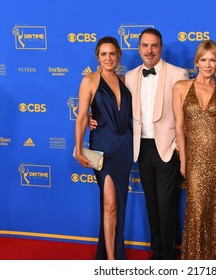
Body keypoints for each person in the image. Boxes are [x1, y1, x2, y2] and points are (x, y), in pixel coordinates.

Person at [89, 28, 189, 259]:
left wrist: (180, 150)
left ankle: (166, 256)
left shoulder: (178, 73)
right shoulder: (130, 76)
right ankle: (156, 251)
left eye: (154, 46)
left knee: (166, 205)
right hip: (139, 148)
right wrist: (92, 121)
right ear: (139, 48)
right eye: (145, 45)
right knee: (152, 205)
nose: (150, 50)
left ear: (160, 48)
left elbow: (187, 115)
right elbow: (109, 105)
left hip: (167, 148)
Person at [173, 40, 216, 260]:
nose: (208, 65)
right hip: (195, 159)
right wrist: (183, 159)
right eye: (204, 60)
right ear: (196, 62)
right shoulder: (181, 87)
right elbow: (179, 126)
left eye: (212, 60)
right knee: (198, 210)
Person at [75, 36, 133, 260]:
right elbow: (81, 117)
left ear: (118, 56)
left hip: (124, 147)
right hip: (103, 147)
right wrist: (78, 148)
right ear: (97, 57)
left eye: (112, 54)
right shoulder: (89, 80)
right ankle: (110, 261)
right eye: (103, 54)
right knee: (109, 203)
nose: (108, 58)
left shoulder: (124, 80)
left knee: (120, 203)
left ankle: (114, 252)